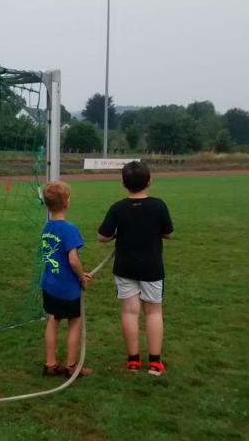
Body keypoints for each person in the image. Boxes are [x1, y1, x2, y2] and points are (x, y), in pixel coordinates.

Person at [98, 161, 173, 376]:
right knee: (153, 312)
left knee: (130, 312)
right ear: (149, 181)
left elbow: (102, 236)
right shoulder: (159, 205)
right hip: (152, 268)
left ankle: (133, 361)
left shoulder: (118, 208)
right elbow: (168, 233)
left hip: (125, 267)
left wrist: (116, 234)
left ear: (123, 183)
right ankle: (155, 363)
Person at [39, 181, 93, 377]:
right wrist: (81, 277)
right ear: (66, 203)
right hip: (67, 288)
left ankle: (50, 364)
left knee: (53, 320)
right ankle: (71, 366)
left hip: (49, 285)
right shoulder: (69, 229)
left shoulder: (46, 227)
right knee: (74, 322)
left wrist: (80, 273)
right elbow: (73, 260)